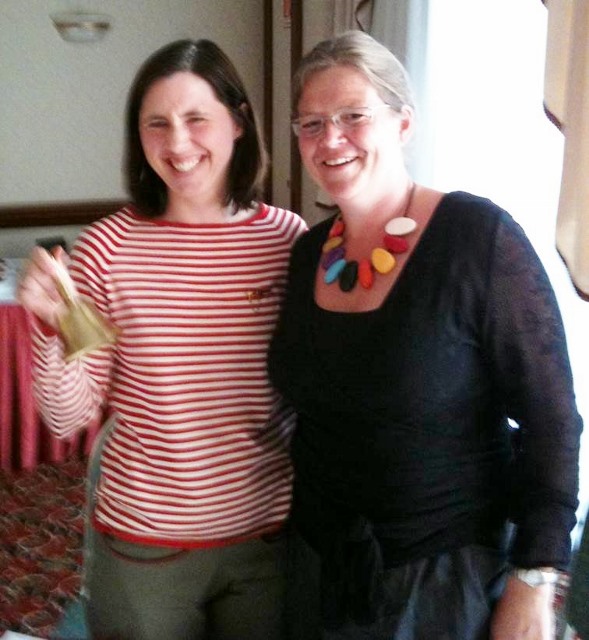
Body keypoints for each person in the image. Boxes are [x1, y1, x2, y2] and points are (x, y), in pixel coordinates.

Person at [268, 30, 582, 640]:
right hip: (318, 561)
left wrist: (535, 576)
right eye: (311, 124)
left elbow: (551, 419)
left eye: (353, 116)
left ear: (403, 123)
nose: (330, 139)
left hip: (443, 577)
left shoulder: (477, 238)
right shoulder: (309, 253)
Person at [17, 38, 307, 640]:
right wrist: (52, 327)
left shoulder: (286, 240)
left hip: (267, 539)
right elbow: (68, 416)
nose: (177, 143)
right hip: (146, 544)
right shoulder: (106, 248)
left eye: (196, 118)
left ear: (238, 122)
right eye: (157, 123)